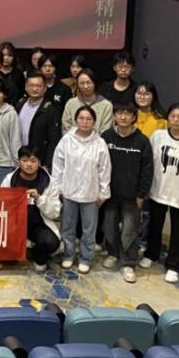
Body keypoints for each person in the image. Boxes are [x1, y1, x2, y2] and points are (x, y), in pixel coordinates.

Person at [141, 102, 179, 284]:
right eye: (172, 116)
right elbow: (148, 162)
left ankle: (174, 265)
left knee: (178, 231)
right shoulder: (158, 136)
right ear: (167, 118)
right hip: (158, 190)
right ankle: (151, 254)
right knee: (155, 225)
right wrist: (146, 187)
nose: (175, 120)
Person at [53, 105, 111, 273]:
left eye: (89, 119)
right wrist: (58, 188)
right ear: (76, 120)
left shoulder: (99, 143)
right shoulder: (66, 140)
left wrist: (103, 192)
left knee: (89, 229)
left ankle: (86, 257)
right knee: (67, 227)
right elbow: (58, 165)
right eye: (81, 118)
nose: (85, 122)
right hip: (69, 191)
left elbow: (105, 169)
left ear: (94, 122)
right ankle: (68, 254)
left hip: (90, 193)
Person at [101, 103, 153, 283]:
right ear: (114, 116)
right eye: (119, 113)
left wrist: (142, 194)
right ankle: (113, 254)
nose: (123, 117)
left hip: (132, 196)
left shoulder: (142, 141)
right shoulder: (106, 137)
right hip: (110, 194)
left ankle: (128, 263)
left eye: (127, 113)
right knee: (109, 226)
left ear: (134, 117)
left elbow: (147, 170)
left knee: (129, 231)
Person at [2, 146, 62, 273]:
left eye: (33, 161)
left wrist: (39, 199)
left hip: (38, 225)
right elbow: (1, 205)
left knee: (50, 242)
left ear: (39, 163)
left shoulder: (49, 182)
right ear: (18, 162)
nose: (29, 164)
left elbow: (55, 212)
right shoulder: (10, 180)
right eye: (25, 160)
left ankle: (37, 257)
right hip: (15, 225)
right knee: (1, 243)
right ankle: (20, 250)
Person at [17, 72, 61, 171]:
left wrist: (48, 164)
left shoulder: (50, 110)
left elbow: (53, 140)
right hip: (20, 157)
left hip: (39, 160)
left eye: (38, 86)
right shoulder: (20, 104)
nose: (35, 89)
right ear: (26, 87)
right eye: (31, 85)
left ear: (45, 88)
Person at [62, 69, 114, 134]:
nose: (86, 86)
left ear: (94, 83)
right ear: (77, 85)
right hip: (72, 140)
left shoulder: (107, 105)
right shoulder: (71, 103)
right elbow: (66, 127)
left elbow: (106, 130)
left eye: (89, 83)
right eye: (82, 83)